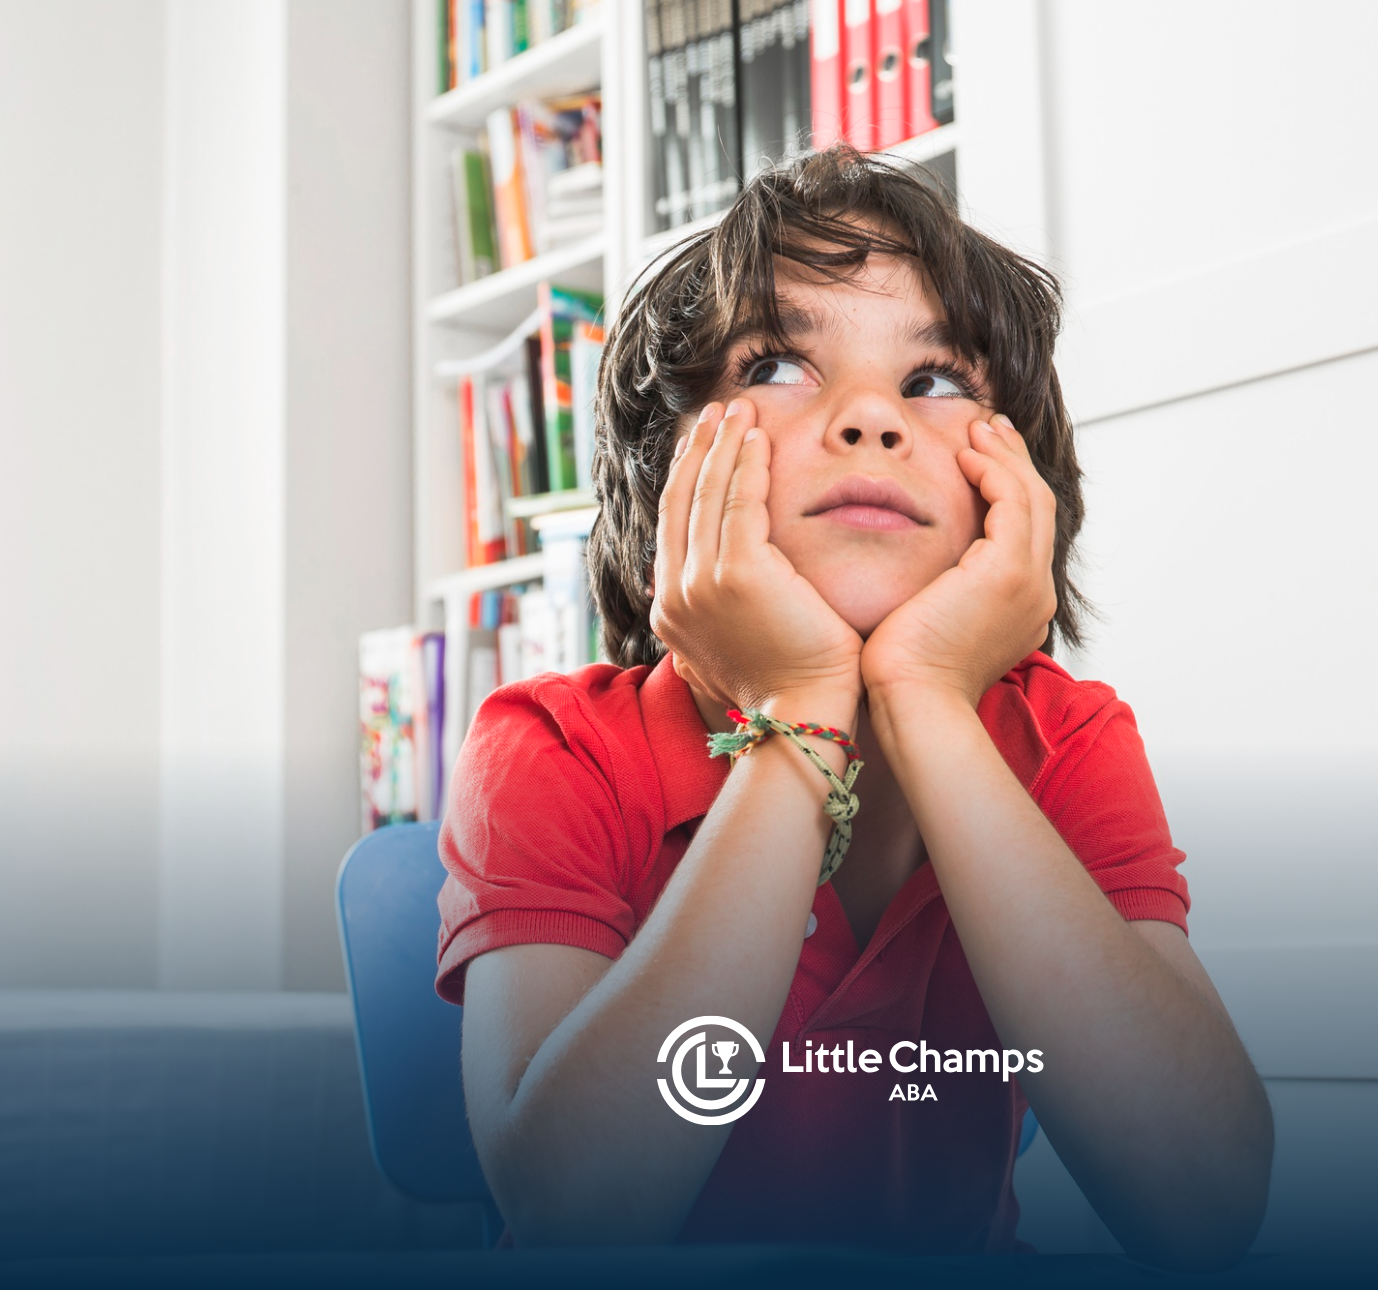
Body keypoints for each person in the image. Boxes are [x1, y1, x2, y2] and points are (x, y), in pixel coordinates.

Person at [435, 146, 1273, 1270]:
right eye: (779, 364)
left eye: (933, 382)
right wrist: (799, 715)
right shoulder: (547, 748)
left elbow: (1203, 1203)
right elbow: (577, 1220)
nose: (871, 417)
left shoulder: (1064, 738)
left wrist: (925, 699)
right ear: (668, 461)